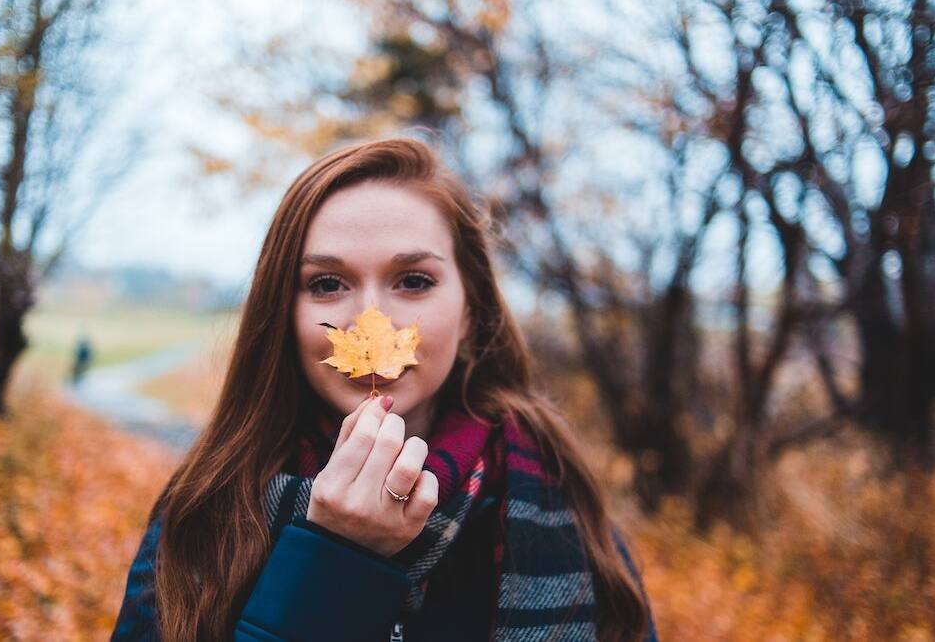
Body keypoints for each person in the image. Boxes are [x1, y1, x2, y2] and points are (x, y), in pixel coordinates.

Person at [111, 137, 659, 642]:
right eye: (327, 284)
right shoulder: (209, 508)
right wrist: (331, 561)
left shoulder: (558, 498)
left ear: (472, 309)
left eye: (414, 281)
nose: (370, 321)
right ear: (282, 311)